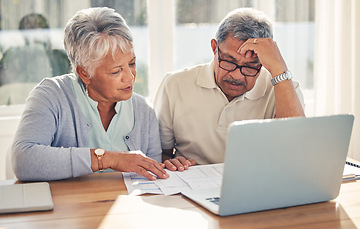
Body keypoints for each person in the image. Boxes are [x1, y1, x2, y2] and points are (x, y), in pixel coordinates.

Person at [11, 7, 169, 181]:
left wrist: (170, 166)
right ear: (84, 73)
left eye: (132, 64)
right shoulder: (50, 96)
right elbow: (24, 161)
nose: (130, 77)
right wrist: (107, 159)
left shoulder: (143, 110)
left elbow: (153, 176)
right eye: (116, 71)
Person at [154, 8, 305, 171]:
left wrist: (278, 68)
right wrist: (168, 162)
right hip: (189, 186)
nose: (236, 76)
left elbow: (296, 153)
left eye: (250, 66)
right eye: (229, 61)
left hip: (256, 187)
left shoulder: (283, 88)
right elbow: (159, 153)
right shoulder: (174, 84)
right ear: (214, 48)